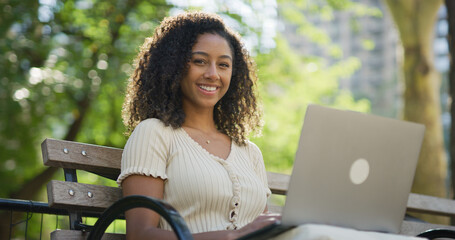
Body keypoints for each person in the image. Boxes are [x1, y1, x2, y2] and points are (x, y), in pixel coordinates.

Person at [117, 11, 279, 240]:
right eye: (200, 61)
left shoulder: (250, 152)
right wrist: (232, 237)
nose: (213, 74)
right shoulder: (153, 134)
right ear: (173, 67)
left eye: (223, 65)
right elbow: (140, 235)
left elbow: (262, 231)